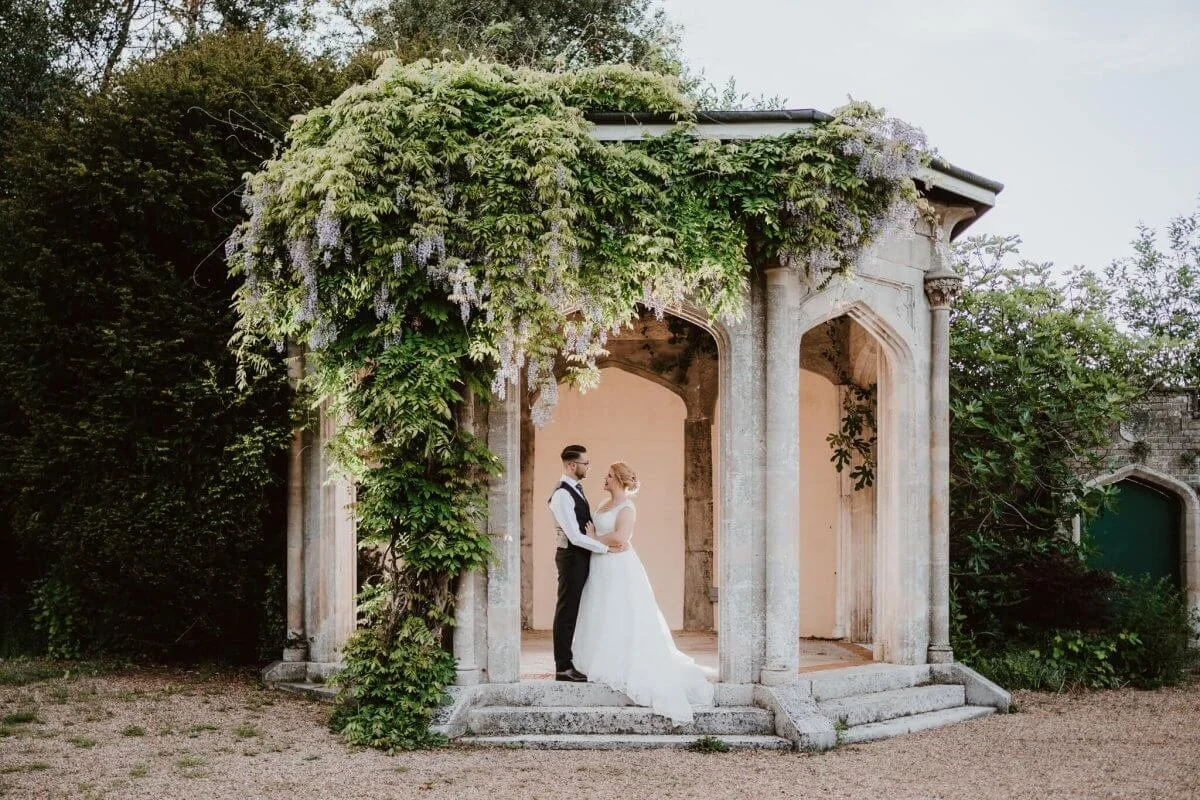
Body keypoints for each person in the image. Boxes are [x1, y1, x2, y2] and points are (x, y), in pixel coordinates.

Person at [571, 461, 715, 724]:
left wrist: (594, 538)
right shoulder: (603, 504)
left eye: (609, 475)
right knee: (600, 610)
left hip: (618, 566)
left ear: (618, 479)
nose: (605, 478)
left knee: (622, 612)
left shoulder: (627, 507)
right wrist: (601, 540)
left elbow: (621, 539)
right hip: (601, 563)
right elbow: (610, 538)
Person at [546, 444, 625, 682]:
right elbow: (575, 536)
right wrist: (606, 549)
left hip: (581, 556)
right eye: (585, 464)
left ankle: (572, 661)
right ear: (573, 465)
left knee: (575, 610)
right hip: (571, 558)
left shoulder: (576, 489)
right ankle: (563, 667)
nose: (588, 467)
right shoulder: (561, 494)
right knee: (566, 611)